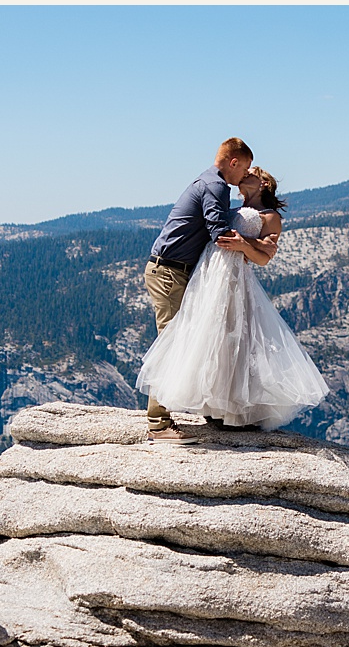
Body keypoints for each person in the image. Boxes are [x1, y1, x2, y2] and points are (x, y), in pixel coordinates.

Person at [135, 167, 329, 432]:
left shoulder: (271, 217)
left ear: (262, 182)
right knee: (211, 339)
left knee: (237, 341)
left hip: (235, 280)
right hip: (208, 275)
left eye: (251, 172)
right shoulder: (228, 207)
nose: (244, 174)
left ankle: (237, 410)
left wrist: (245, 245)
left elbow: (263, 258)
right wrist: (248, 243)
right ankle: (215, 407)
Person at [139, 138, 266, 440]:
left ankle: (210, 410)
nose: (241, 177)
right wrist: (254, 246)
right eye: (244, 168)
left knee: (196, 339)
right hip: (170, 272)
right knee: (173, 343)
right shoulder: (217, 185)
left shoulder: (209, 182)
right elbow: (219, 233)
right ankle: (158, 424)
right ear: (233, 162)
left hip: (174, 271)